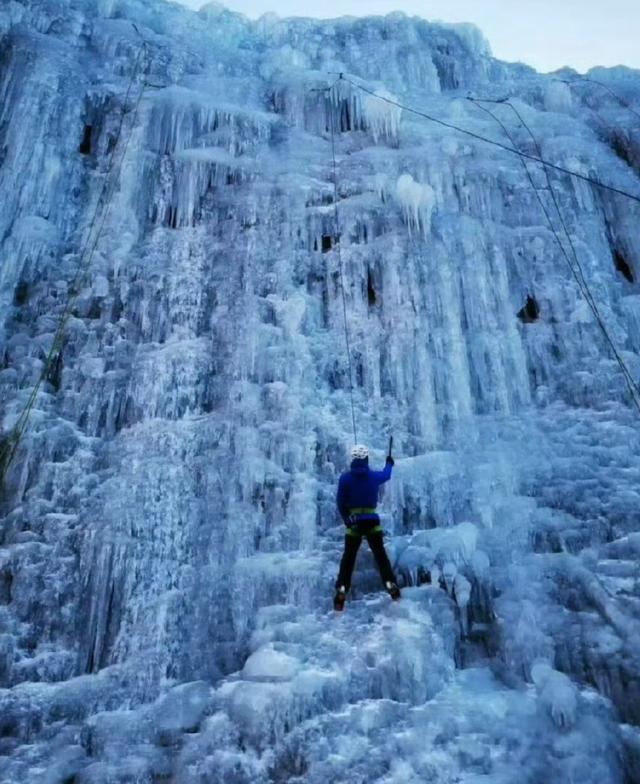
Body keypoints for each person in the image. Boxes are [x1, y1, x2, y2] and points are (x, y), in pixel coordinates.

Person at [334, 444, 401, 611]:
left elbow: (340, 502)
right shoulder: (373, 477)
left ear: (353, 459)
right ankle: (390, 585)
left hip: (354, 523)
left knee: (348, 558)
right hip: (372, 521)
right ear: (366, 459)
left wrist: (347, 520)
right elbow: (386, 474)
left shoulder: (345, 478)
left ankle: (342, 590)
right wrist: (389, 462)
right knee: (380, 556)